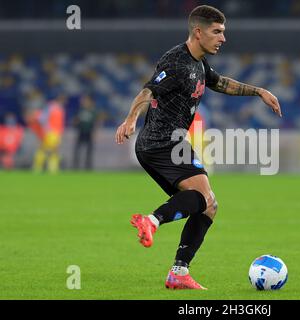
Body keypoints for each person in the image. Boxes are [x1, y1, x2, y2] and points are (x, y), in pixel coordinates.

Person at [115, 5, 281, 290]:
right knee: (203, 198)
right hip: (161, 141)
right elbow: (148, 90)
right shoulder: (177, 61)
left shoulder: (199, 62)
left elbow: (220, 83)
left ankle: (179, 271)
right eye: (217, 32)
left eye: (223, 32)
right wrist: (130, 118)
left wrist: (259, 91)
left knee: (208, 205)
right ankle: (152, 221)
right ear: (198, 32)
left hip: (171, 142)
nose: (223, 38)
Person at [30, 95, 66, 174]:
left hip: (55, 132)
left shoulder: (59, 108)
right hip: (51, 132)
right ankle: (43, 167)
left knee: (49, 150)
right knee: (48, 150)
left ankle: (45, 167)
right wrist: (47, 129)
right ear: (61, 99)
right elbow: (41, 118)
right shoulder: (51, 107)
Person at [73, 95, 99, 170]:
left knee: (89, 151)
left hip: (89, 132)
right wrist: (75, 122)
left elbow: (96, 122)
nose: (85, 102)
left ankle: (88, 167)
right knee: (78, 150)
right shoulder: (80, 110)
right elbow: (75, 120)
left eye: (86, 101)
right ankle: (76, 166)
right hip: (81, 132)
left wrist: (95, 133)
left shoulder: (93, 111)